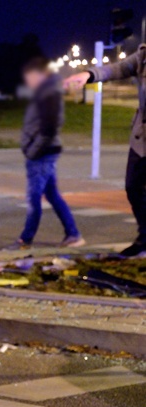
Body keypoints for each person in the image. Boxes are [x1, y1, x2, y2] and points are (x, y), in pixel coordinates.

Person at [66, 45, 146, 257]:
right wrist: (89, 74)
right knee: (133, 188)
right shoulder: (143, 56)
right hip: (142, 139)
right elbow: (116, 69)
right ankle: (144, 238)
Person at [6, 57, 84, 250]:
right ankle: (73, 234)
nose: (28, 81)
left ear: (41, 74)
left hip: (42, 154)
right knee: (53, 195)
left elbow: (49, 128)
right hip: (43, 153)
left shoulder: (49, 94)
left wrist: (32, 151)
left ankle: (25, 240)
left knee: (33, 198)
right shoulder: (46, 92)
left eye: (30, 77)